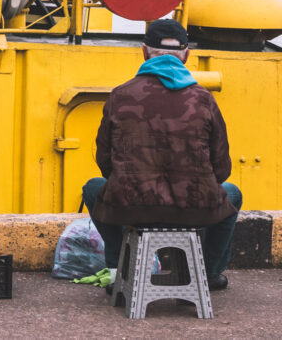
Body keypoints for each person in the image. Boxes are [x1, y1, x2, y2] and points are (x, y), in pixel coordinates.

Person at [82, 19, 242, 291]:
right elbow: (221, 169)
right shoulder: (204, 99)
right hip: (194, 210)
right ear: (187, 55)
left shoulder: (120, 96)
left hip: (131, 208)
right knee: (232, 192)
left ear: (144, 52)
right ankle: (208, 273)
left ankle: (121, 269)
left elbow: (105, 163)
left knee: (93, 188)